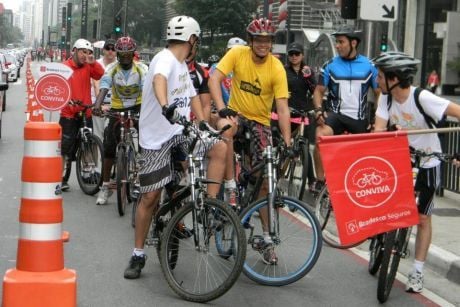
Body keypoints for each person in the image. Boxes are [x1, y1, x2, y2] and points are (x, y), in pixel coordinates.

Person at [123, 15, 227, 279]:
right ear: (192, 39)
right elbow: (159, 80)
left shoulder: (182, 65)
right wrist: (165, 105)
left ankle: (211, 207)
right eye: (198, 40)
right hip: (156, 139)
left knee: (218, 148)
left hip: (179, 133)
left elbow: (192, 97)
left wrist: (204, 124)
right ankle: (138, 254)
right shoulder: (165, 59)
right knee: (150, 197)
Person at [372, 51, 460, 293]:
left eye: (380, 77)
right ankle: (383, 239)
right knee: (385, 200)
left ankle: (417, 272)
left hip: (428, 162)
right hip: (399, 160)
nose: (377, 81)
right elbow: (378, 129)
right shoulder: (385, 99)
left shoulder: (423, 98)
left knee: (422, 218)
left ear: (394, 78)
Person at [209, 18, 291, 264]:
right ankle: (231, 186)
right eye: (259, 40)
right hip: (235, 114)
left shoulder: (277, 68)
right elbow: (214, 79)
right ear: (251, 41)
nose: (263, 44)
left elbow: (283, 109)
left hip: (260, 123)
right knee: (226, 130)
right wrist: (222, 109)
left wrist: (287, 141)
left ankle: (267, 239)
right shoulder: (237, 53)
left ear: (271, 43)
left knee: (265, 181)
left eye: (267, 40)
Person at [311, 25, 379, 192]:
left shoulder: (369, 66)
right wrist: (319, 110)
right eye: (337, 42)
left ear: (353, 43)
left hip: (359, 119)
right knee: (320, 136)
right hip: (337, 116)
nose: (337, 45)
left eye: (341, 42)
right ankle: (320, 182)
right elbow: (318, 92)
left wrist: (377, 121)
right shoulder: (330, 65)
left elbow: (380, 94)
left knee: (366, 156)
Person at [93, 36, 148, 205]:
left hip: (138, 106)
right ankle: (105, 186)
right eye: (121, 54)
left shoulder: (141, 69)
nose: (124, 58)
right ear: (117, 55)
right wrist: (97, 104)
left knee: (146, 141)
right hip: (117, 108)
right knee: (109, 145)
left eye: (128, 54)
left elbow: (146, 89)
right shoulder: (111, 68)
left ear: (133, 54)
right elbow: (104, 86)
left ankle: (142, 176)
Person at [60, 39, 105, 191]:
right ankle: (61, 178)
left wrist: (93, 63)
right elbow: (58, 87)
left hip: (86, 111)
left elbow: (100, 75)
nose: (85, 55)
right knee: (65, 148)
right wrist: (67, 101)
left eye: (88, 52)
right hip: (69, 114)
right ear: (74, 51)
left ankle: (88, 175)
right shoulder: (65, 67)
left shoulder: (88, 66)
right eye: (82, 52)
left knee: (90, 144)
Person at [272, 42, 316, 190]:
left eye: (297, 54)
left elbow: (315, 90)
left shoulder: (308, 71)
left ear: (302, 55)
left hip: (302, 113)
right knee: (282, 144)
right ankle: (276, 174)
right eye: (291, 54)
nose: (294, 57)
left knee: (304, 145)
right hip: (285, 112)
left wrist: (309, 78)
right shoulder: (283, 70)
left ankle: (312, 182)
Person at [91, 39, 117, 141]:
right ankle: (98, 155)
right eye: (108, 48)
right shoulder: (97, 64)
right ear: (103, 50)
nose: (110, 51)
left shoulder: (119, 65)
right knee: (98, 135)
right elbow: (96, 84)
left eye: (113, 49)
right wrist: (100, 105)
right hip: (98, 103)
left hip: (115, 104)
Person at [186, 40, 212, 121]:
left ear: (196, 50)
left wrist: (202, 129)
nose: (187, 51)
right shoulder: (169, 68)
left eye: (191, 48)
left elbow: (206, 106)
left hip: (194, 120)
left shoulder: (202, 72)